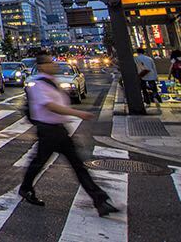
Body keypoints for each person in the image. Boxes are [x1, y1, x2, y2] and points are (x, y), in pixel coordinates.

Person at [19, 53, 118, 216]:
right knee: (40, 162)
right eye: (50, 63)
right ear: (42, 66)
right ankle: (25, 188)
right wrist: (78, 113)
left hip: (59, 129)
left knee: (75, 164)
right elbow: (50, 106)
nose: (54, 65)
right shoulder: (37, 84)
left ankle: (99, 199)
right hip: (48, 130)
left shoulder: (53, 82)